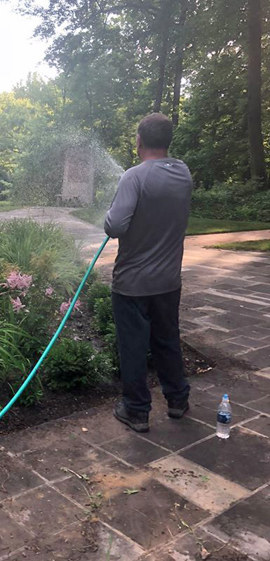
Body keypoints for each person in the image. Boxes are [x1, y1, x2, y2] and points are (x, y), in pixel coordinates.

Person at [104, 113, 193, 433]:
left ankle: (137, 410)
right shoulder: (183, 173)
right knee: (168, 339)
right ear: (167, 141)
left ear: (139, 140)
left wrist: (109, 213)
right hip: (169, 281)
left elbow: (114, 226)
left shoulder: (133, 177)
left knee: (133, 346)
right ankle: (178, 400)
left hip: (132, 283)